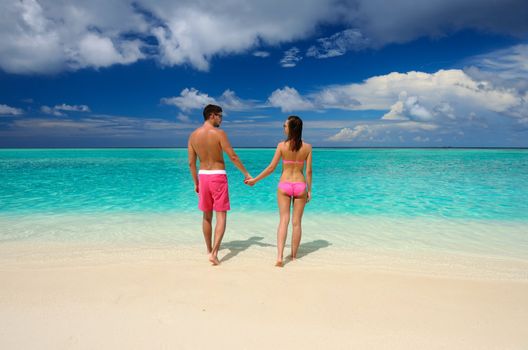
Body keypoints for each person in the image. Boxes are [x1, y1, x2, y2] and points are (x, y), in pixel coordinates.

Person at [188, 104, 251, 265]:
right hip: (217, 176)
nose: (221, 119)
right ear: (211, 115)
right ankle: (214, 253)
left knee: (206, 216)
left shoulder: (193, 136)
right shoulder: (219, 133)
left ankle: (208, 249)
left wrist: (196, 182)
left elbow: (191, 163)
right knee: (221, 215)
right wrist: (246, 174)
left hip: (203, 177)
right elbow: (233, 156)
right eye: (220, 116)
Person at [245, 116, 312, 267]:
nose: (283, 127)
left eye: (285, 125)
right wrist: (309, 190)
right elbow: (309, 171)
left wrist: (255, 180)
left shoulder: (281, 146)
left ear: (291, 128)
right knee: (296, 223)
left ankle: (280, 257)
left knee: (283, 220)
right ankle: (294, 256)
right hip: (300, 185)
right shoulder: (307, 147)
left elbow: (271, 168)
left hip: (285, 185)